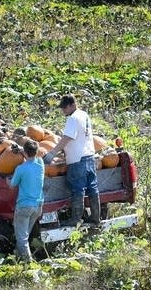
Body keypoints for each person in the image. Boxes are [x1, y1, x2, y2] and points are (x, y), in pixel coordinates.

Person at [43, 94, 100, 226]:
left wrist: (52, 153)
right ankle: (96, 218)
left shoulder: (73, 118)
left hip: (77, 159)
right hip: (89, 156)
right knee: (92, 187)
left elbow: (67, 137)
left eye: (65, 108)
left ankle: (75, 220)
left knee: (77, 189)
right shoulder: (84, 115)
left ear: (72, 105)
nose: (63, 111)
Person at [8, 140, 44, 261]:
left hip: (24, 206)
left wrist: (6, 179)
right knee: (24, 235)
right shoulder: (40, 163)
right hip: (38, 206)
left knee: (22, 237)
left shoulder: (20, 169)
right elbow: (32, 156)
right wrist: (22, 149)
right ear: (37, 151)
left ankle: (28, 264)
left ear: (25, 152)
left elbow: (12, 185)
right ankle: (18, 259)